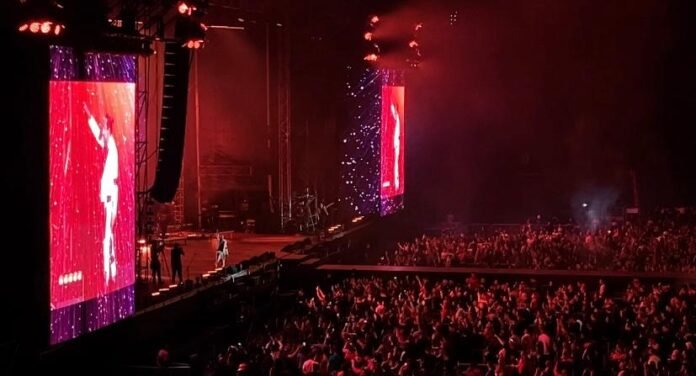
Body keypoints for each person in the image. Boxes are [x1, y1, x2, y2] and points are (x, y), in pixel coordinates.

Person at [85, 103, 118, 283]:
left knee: (107, 236)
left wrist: (93, 119)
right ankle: (111, 270)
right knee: (109, 234)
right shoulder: (109, 144)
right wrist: (90, 117)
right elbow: (100, 137)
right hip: (110, 194)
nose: (102, 129)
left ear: (108, 129)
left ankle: (108, 273)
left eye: (104, 126)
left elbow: (102, 138)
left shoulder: (111, 144)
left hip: (111, 195)